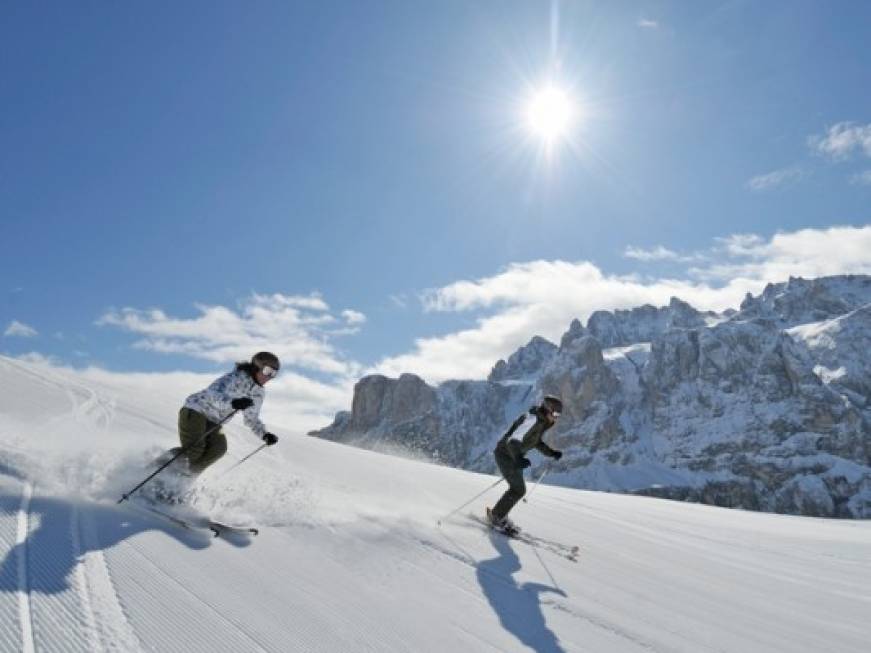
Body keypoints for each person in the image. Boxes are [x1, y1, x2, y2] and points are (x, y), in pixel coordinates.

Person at [151, 352, 281, 502]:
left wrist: (264, 434)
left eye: (274, 373)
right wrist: (232, 403)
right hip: (196, 410)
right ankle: (154, 473)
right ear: (256, 367)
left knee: (218, 448)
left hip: (214, 421)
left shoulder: (258, 393)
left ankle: (177, 487)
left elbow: (251, 418)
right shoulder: (236, 377)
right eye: (267, 371)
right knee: (194, 450)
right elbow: (212, 393)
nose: (269, 377)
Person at [487, 395, 564, 533]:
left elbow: (536, 442)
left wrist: (551, 453)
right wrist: (517, 458)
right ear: (548, 409)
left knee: (517, 489)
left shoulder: (541, 422)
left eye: (559, 414)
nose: (557, 417)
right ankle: (497, 516)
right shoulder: (533, 419)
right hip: (505, 455)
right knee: (518, 490)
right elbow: (512, 440)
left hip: (513, 457)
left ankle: (499, 514)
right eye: (556, 413)